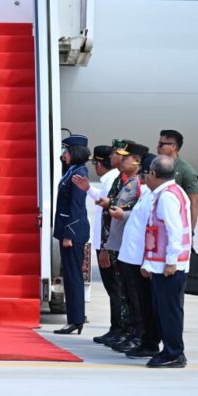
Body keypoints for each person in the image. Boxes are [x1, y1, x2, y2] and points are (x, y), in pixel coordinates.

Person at [141, 154, 192, 369]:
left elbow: (174, 231)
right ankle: (169, 350)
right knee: (164, 309)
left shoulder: (168, 197)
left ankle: (174, 352)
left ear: (154, 174)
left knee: (169, 311)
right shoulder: (173, 192)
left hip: (170, 266)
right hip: (163, 263)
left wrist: (170, 262)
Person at [100, 141, 148, 351]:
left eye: (125, 156)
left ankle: (138, 334)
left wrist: (120, 213)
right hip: (121, 244)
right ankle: (130, 332)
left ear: (136, 161)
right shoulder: (128, 182)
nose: (119, 159)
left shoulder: (140, 185)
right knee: (126, 293)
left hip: (131, 247)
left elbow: (139, 214)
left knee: (135, 294)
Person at [72, 144, 120, 338]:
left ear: (99, 164)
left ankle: (118, 328)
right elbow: (102, 199)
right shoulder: (109, 180)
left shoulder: (111, 180)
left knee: (115, 290)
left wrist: (105, 248)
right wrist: (89, 189)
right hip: (106, 243)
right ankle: (116, 328)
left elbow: (108, 214)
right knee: (114, 290)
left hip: (108, 244)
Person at [116, 153, 161, 359]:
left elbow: (155, 231)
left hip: (141, 259)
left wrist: (148, 260)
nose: (142, 178)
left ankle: (147, 340)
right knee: (136, 300)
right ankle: (142, 339)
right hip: (132, 257)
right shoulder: (147, 195)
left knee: (142, 303)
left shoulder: (157, 197)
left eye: (146, 174)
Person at [52, 136, 91, 335]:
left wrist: (69, 234)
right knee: (70, 276)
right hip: (68, 231)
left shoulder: (78, 174)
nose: (63, 155)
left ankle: (76, 319)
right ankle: (74, 319)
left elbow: (76, 207)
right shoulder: (72, 171)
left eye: (66, 151)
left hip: (73, 233)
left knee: (74, 276)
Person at [157, 129, 198, 231]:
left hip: (175, 225)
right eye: (159, 143)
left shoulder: (186, 171)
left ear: (173, 147)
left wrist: (190, 232)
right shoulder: (156, 166)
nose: (158, 147)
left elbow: (194, 204)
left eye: (162, 144)